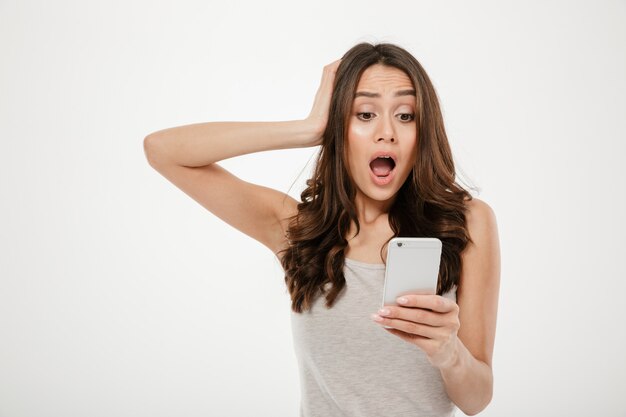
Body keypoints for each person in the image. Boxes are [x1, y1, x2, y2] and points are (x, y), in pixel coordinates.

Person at [143, 42, 500, 417]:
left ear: (422, 131)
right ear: (338, 127)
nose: (387, 133)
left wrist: (449, 353)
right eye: (364, 114)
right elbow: (162, 150)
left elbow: (477, 399)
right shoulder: (295, 229)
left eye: (406, 115)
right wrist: (307, 128)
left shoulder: (468, 223)